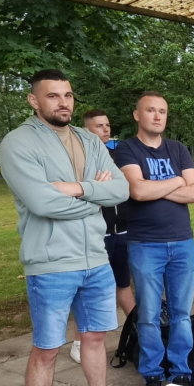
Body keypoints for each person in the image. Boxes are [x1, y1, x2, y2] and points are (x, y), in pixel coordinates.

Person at [0, 69, 131, 386]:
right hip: (52, 263)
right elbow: (41, 203)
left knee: (95, 339)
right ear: (34, 101)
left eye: (68, 95)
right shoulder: (18, 142)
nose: (63, 103)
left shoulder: (89, 139)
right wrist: (96, 195)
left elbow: (120, 189)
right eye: (53, 96)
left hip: (96, 258)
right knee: (47, 349)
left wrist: (77, 189)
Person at [115, 93, 194, 386]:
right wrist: (177, 181)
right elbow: (137, 190)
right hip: (145, 245)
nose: (157, 116)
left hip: (183, 243)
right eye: (150, 110)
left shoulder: (178, 149)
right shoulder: (126, 148)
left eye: (162, 111)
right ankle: (152, 375)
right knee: (149, 315)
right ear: (137, 115)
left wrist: (157, 188)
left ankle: (181, 372)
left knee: (181, 314)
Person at [73, 108, 136, 364]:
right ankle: (79, 342)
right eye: (99, 126)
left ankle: (138, 331)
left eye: (107, 124)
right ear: (87, 130)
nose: (106, 129)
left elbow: (124, 189)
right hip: (97, 234)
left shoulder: (116, 156)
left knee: (123, 284)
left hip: (122, 232)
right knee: (88, 291)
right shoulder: (79, 159)